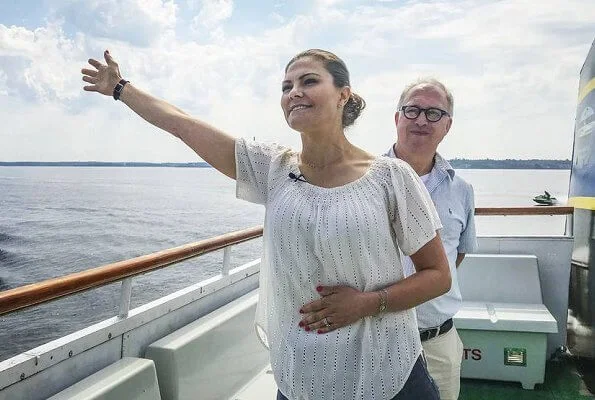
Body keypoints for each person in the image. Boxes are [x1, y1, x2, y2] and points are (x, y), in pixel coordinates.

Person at [81, 49, 450, 400]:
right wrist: (120, 89)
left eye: (308, 81)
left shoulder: (390, 177)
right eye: (287, 87)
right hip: (302, 374)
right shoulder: (273, 168)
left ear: (343, 95)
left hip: (386, 372)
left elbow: (437, 274)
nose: (295, 92)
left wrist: (367, 303)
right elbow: (183, 124)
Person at [387, 78, 478, 399]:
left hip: (438, 341)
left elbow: (457, 256)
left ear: (448, 125)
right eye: (412, 110)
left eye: (434, 113)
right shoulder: (363, 181)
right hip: (376, 337)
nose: (422, 120)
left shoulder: (461, 190)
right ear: (397, 118)